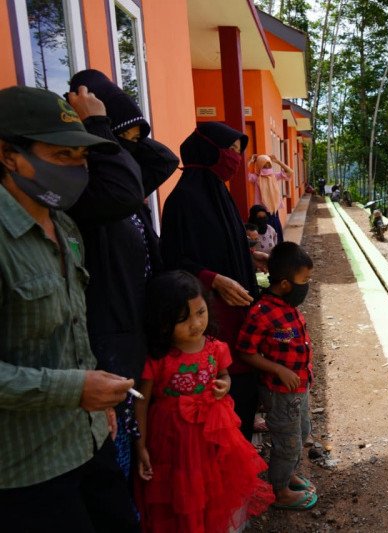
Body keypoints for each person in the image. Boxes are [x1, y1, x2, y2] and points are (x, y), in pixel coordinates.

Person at [0, 85, 137, 531]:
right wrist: (75, 389)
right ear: (8, 155)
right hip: (28, 471)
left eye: (81, 157)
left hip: (88, 439)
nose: (78, 170)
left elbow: (72, 329)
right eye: (62, 157)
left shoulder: (64, 225)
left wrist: (97, 401)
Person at [68, 69, 180, 478]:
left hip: (133, 332)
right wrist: (98, 126)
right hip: (109, 341)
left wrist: (117, 125)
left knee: (141, 450)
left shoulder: (124, 190)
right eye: (124, 140)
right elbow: (123, 189)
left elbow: (163, 159)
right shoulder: (94, 195)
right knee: (120, 460)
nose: (131, 150)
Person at [135, 270, 273, 532]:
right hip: (172, 440)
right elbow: (142, 402)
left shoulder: (216, 348)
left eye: (201, 312)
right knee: (183, 492)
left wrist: (225, 385)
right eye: (183, 319)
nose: (196, 324)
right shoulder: (158, 359)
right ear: (163, 323)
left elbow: (224, 375)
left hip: (212, 434)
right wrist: (140, 445)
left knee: (214, 487)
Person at [159, 122, 264, 441]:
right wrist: (214, 279)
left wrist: (249, 257)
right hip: (210, 310)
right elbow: (174, 259)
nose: (235, 158)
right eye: (230, 150)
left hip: (237, 305)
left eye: (237, 151)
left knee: (244, 378)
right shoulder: (182, 199)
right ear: (207, 150)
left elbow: (223, 243)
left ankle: (243, 436)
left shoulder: (219, 193)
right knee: (222, 380)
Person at [236, 242, 318, 511]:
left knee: (302, 432)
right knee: (287, 441)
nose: (307, 285)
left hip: (298, 389)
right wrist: (279, 370)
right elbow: (245, 352)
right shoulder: (262, 312)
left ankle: (288, 474)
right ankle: (280, 490)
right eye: (304, 280)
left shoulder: (287, 305)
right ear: (284, 284)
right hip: (280, 393)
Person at [247, 154, 292, 244]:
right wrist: (250, 161)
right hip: (262, 213)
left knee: (277, 236)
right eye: (264, 165)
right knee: (266, 238)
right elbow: (244, 174)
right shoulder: (256, 178)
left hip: (274, 211)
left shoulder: (274, 176)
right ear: (259, 166)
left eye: (269, 165)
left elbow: (289, 172)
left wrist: (277, 161)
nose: (267, 167)